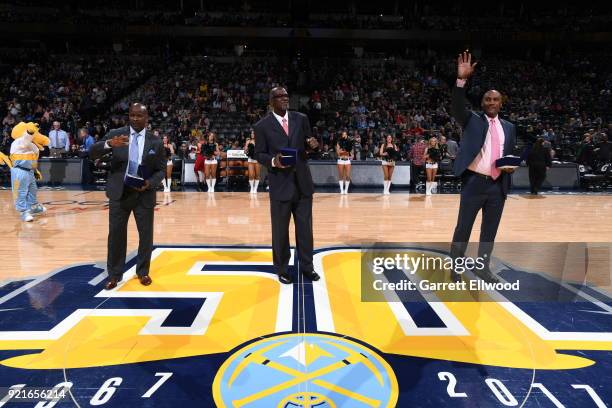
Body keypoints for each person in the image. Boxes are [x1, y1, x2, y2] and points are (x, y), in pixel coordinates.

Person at [449, 52, 516, 283]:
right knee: (463, 229)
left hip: (498, 186)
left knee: (489, 233)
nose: (491, 102)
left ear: (501, 103)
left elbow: (508, 153)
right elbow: (457, 106)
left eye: (495, 99)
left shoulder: (509, 127)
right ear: (482, 103)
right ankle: (455, 269)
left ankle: (483, 268)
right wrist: (461, 81)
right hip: (474, 183)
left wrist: (509, 166)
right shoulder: (472, 120)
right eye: (487, 99)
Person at [90, 103, 165, 290]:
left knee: (145, 236)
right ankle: (114, 275)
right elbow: (92, 153)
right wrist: (108, 144)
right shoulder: (116, 134)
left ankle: (143, 272)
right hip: (119, 193)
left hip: (143, 193)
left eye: (139, 115)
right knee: (116, 235)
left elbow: (161, 170)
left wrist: (150, 183)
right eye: (132, 115)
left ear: (147, 117)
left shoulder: (155, 141)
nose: (135, 119)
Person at [254, 86, 320, 284]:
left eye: (286, 95)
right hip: (280, 183)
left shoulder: (301, 119)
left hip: (302, 183)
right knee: (280, 232)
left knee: (305, 230)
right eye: (279, 96)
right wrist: (274, 161)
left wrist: (314, 145)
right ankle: (282, 268)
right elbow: (259, 154)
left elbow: (309, 144)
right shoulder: (262, 126)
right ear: (271, 101)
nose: (284, 98)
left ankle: (307, 267)